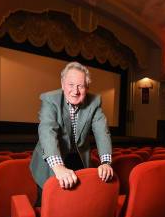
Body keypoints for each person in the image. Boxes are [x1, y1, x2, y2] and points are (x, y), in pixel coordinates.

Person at [30, 62, 114, 192]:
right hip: (51, 159)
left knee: (77, 199)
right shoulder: (50, 99)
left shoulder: (95, 101)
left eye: (80, 86)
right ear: (63, 84)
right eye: (71, 85)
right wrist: (58, 166)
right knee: (48, 199)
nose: (75, 91)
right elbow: (47, 131)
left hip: (78, 157)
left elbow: (102, 132)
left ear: (87, 87)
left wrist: (105, 163)